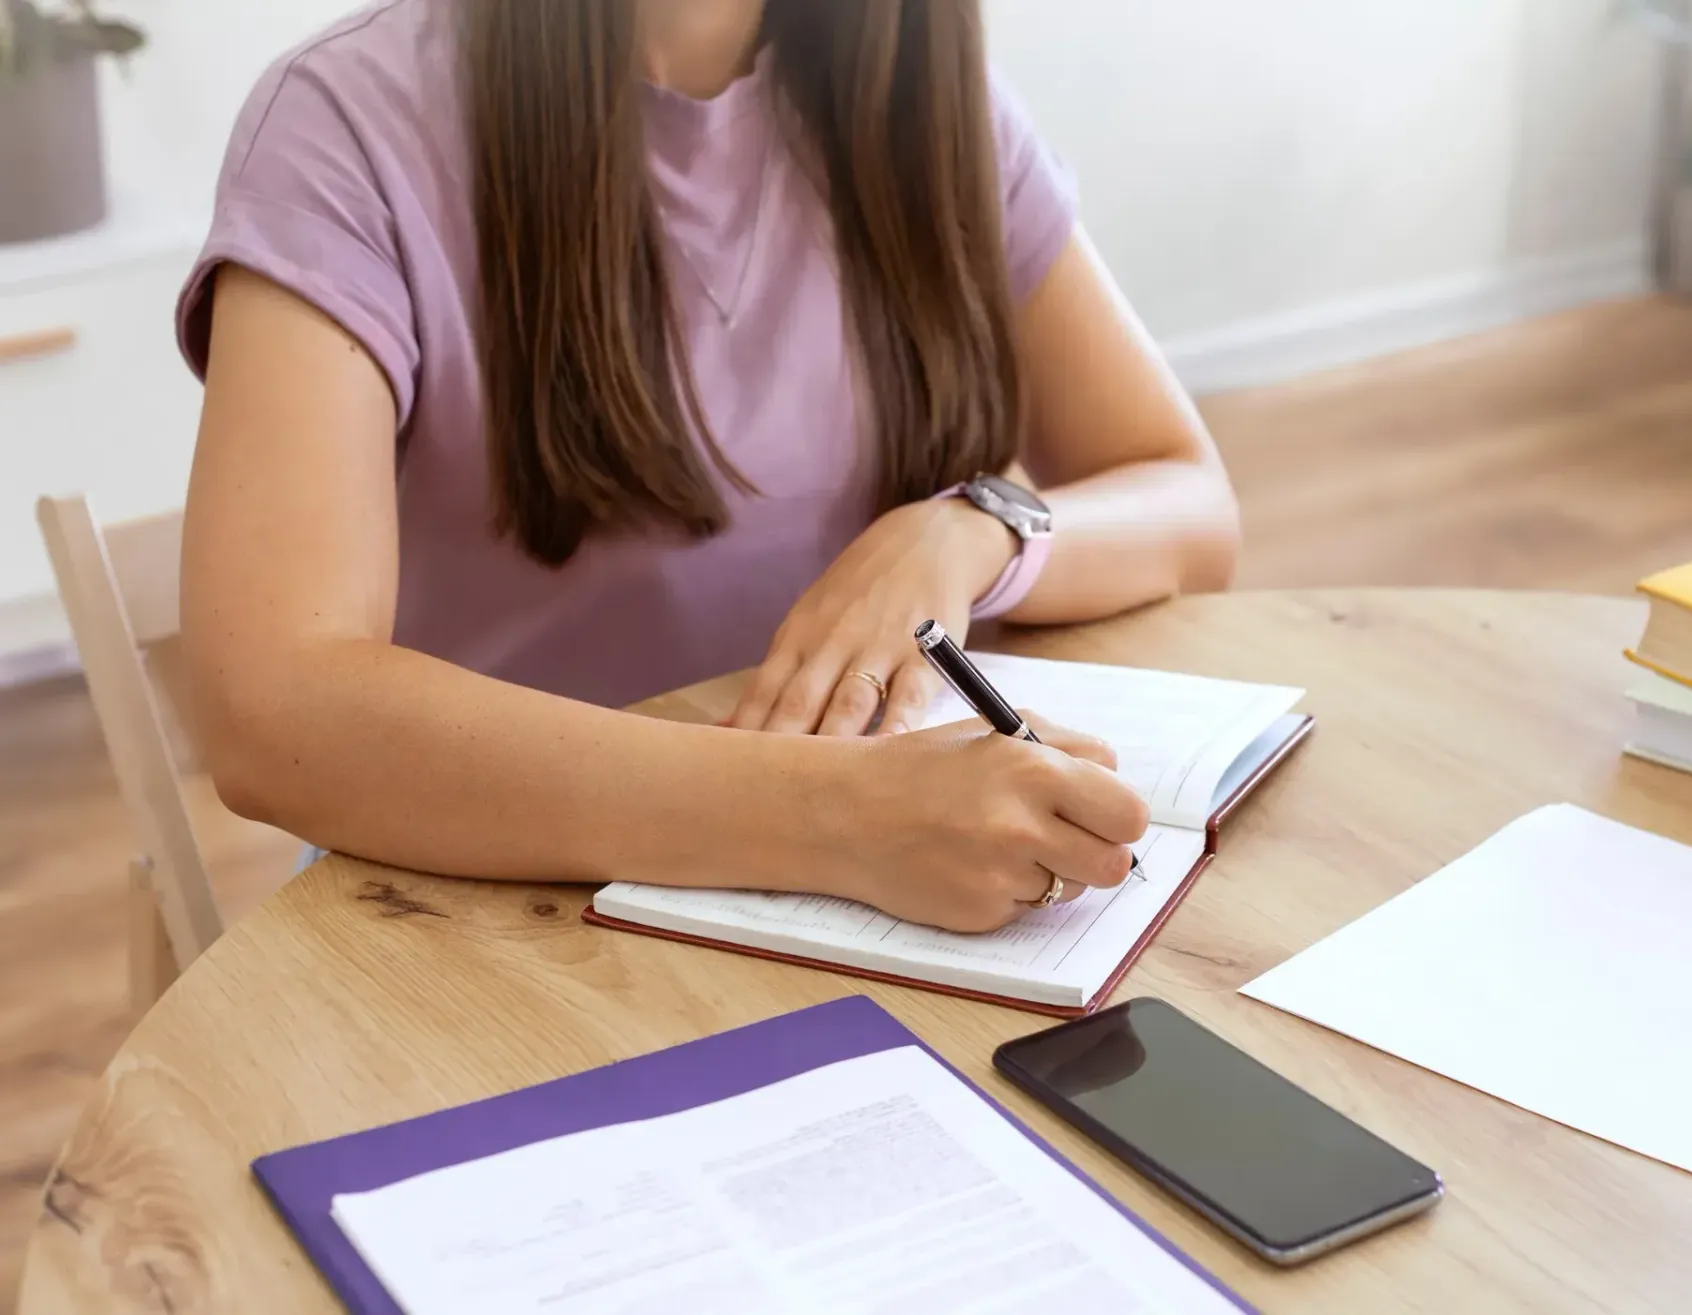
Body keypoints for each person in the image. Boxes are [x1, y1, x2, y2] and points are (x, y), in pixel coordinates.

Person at [176, 0, 1240, 934]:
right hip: (490, 912)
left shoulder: (925, 99)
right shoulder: (345, 121)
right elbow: (274, 711)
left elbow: (1185, 497)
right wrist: (838, 814)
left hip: (890, 899)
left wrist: (974, 530)